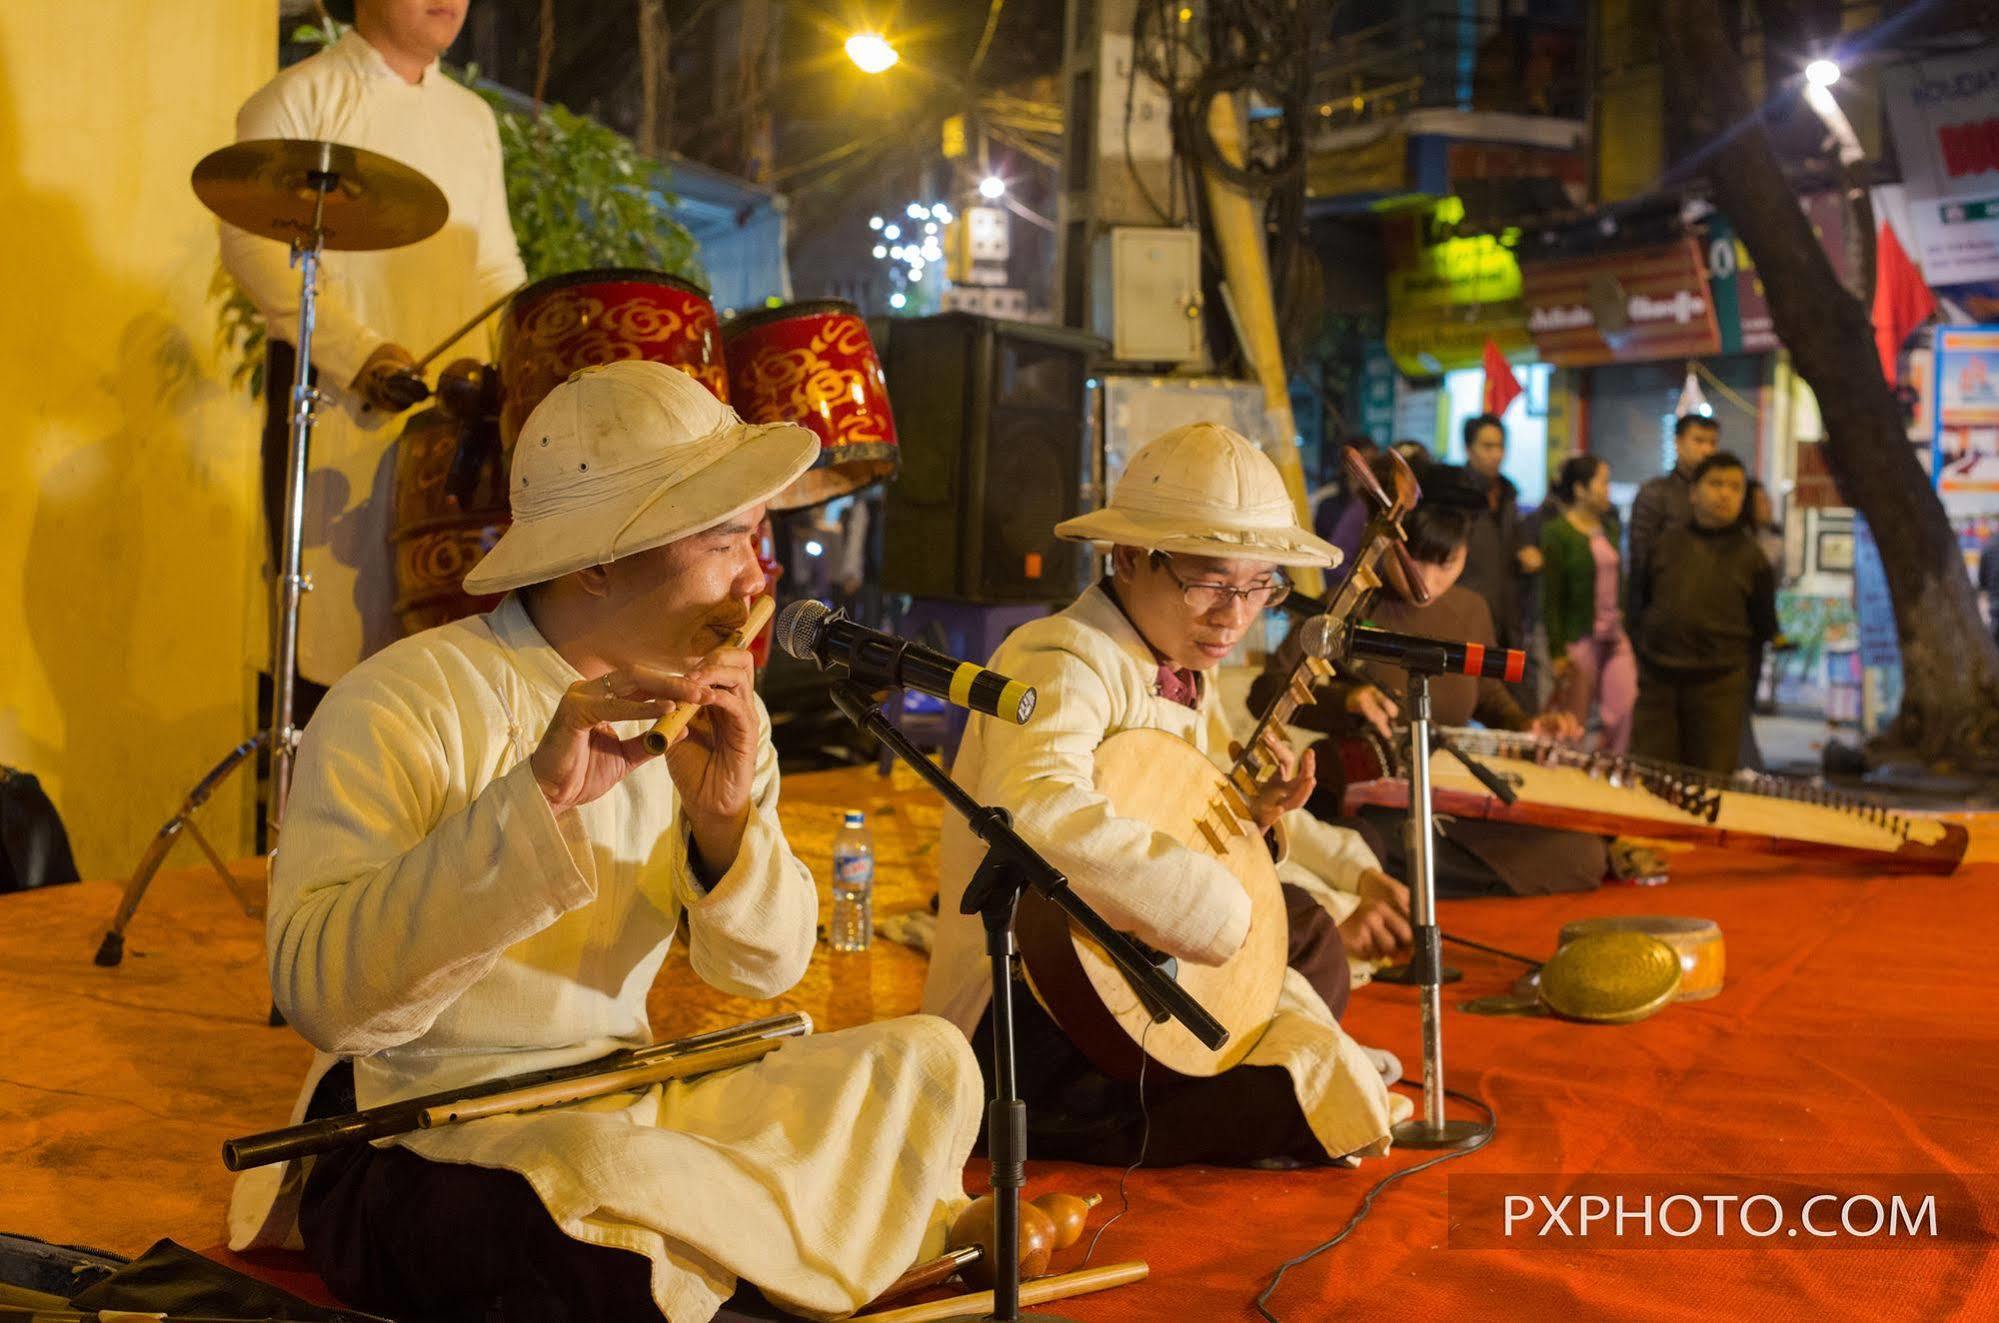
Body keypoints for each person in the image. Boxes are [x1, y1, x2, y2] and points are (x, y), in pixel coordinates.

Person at [226, 362, 982, 1323]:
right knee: (595, 1172)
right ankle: (753, 1254)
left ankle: (710, 1254)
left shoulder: (710, 704)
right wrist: (534, 801)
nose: (758, 577)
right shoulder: (404, 698)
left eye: (758, 536)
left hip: (631, 1097)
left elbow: (765, 971)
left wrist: (725, 826)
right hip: (426, 1138)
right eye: (723, 540)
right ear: (595, 562)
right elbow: (325, 998)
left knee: (924, 1059)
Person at [923, 423, 1415, 1170]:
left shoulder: (1182, 661)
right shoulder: (1057, 659)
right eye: (1210, 583)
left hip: (1132, 971)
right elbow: (1038, 811)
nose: (1234, 615)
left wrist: (1254, 819)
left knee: (1305, 929)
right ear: (1125, 557)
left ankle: (1258, 1067)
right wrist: (1216, 909)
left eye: (1258, 588)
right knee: (1284, 1091)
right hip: (1035, 1001)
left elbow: (1175, 804)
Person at [221, 0, 527, 705]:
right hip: (338, 410)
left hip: (455, 432)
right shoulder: (299, 96)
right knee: (337, 659)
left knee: (452, 653)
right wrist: (360, 353)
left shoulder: (471, 120)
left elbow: (495, 266)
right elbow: (253, 246)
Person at [1251, 461, 1603, 899]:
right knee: (1367, 845)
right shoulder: (1349, 606)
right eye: (1416, 559)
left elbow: (1485, 693)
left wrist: (1524, 724)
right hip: (1374, 798)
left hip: (1449, 789)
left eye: (1448, 563)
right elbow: (1265, 691)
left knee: (1582, 853)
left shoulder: (1470, 610)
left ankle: (1428, 882)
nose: (1430, 580)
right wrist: (1348, 699)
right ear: (1393, 546)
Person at [1629, 451, 1779, 775]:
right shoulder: (1664, 544)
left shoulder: (1752, 557)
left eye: (1734, 487)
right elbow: (1638, 603)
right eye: (1715, 484)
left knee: (1710, 783)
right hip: (1659, 682)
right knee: (1649, 777)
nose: (1724, 493)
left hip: (1719, 687)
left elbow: (1763, 624)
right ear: (1693, 492)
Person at [1541, 456, 1637, 753]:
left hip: (1614, 634)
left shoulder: (1610, 527)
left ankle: (1610, 769)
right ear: (1581, 489)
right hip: (1580, 637)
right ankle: (1567, 779)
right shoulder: (1557, 533)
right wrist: (1556, 651)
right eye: (1603, 482)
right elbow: (1551, 597)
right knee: (1574, 719)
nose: (1608, 489)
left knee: (1624, 704)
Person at [1626, 412, 1721, 613]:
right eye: (1699, 441)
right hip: (1665, 607)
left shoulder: (1718, 498)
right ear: (1678, 443)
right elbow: (1641, 562)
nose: (1707, 450)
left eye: (1713, 443)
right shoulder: (1656, 493)